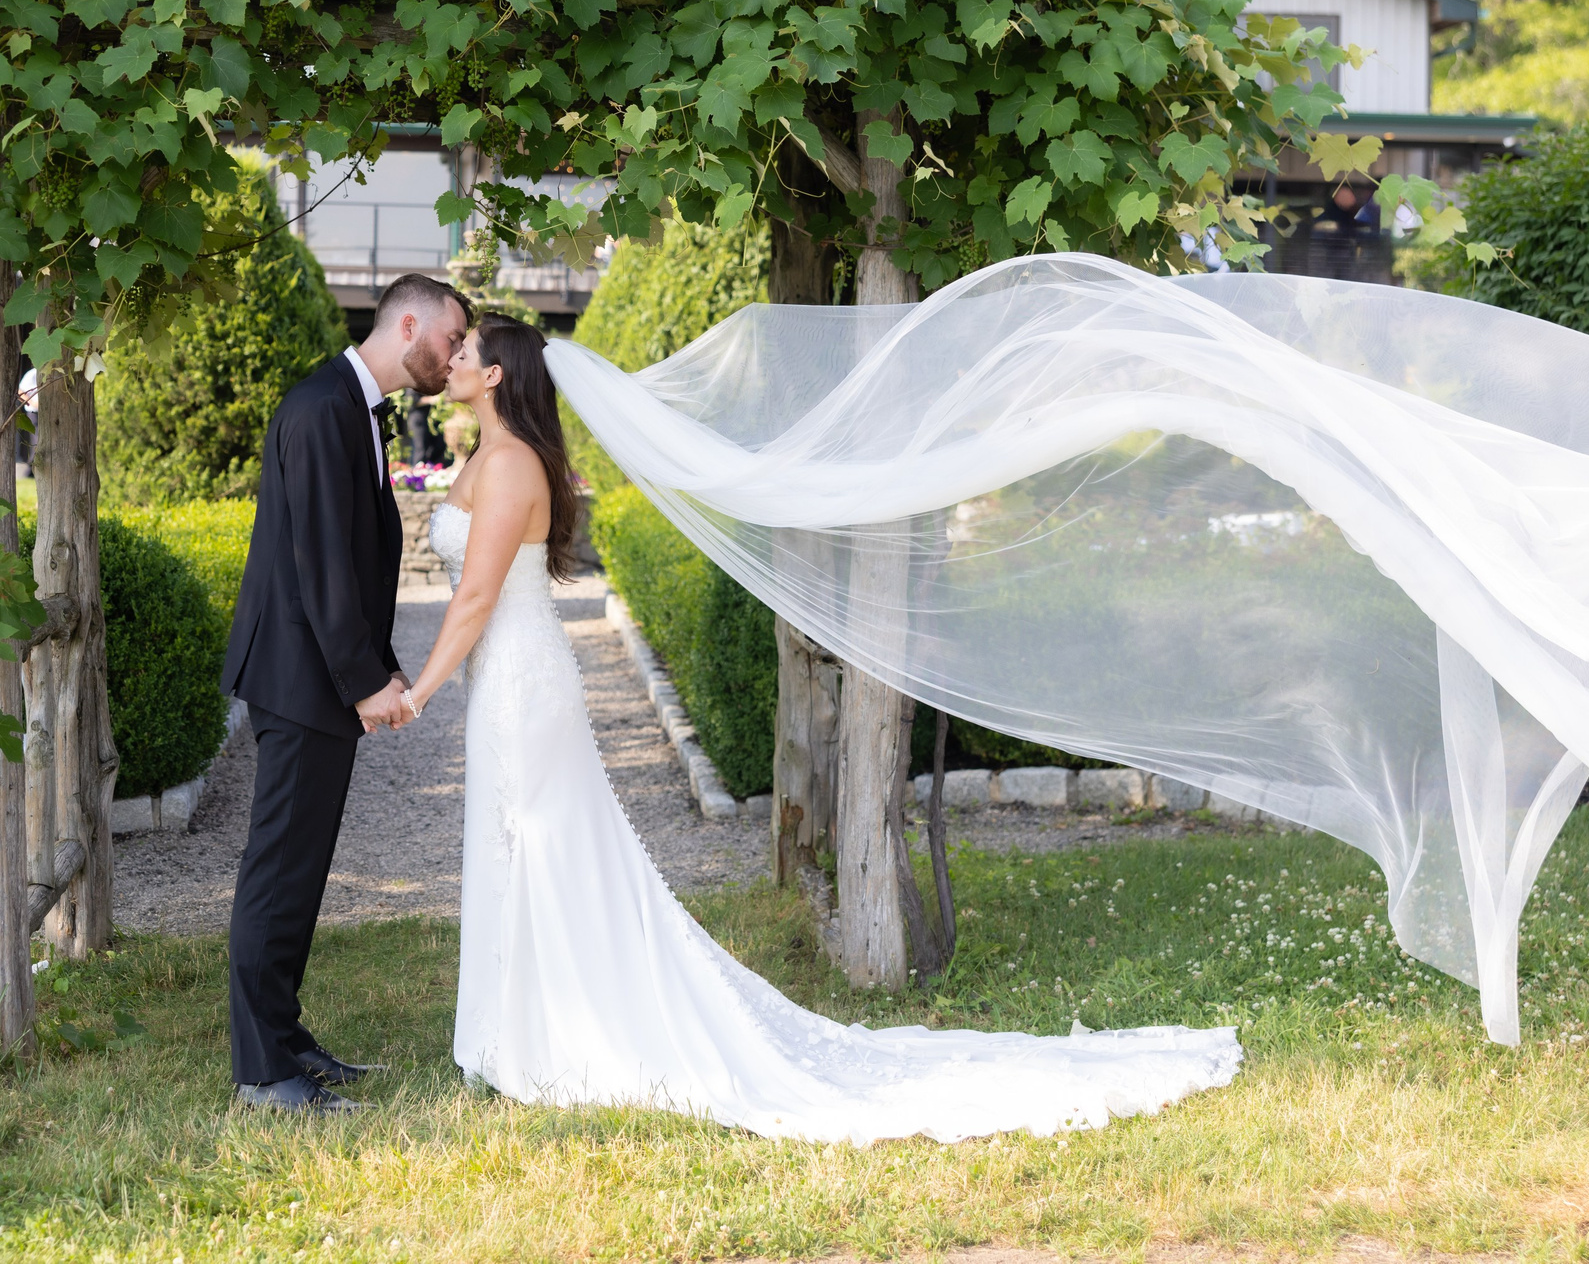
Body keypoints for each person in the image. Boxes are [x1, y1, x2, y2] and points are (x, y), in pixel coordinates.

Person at [388, 315, 1244, 1143]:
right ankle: (515, 1029)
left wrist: (416, 692)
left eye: (464, 350)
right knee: (516, 845)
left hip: (522, 684)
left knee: (541, 844)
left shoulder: (509, 468)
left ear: (496, 374)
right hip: (503, 681)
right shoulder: (487, 458)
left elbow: (474, 599)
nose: (451, 358)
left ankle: (550, 1037)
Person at [220, 271, 473, 1114]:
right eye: (450, 339)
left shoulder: (354, 407)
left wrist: (381, 668)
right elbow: (322, 563)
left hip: (314, 674)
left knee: (303, 870)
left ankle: (285, 1037)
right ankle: (262, 1072)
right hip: (300, 679)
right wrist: (367, 683)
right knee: (278, 870)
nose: (454, 356)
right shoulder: (323, 406)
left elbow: (347, 560)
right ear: (409, 326)